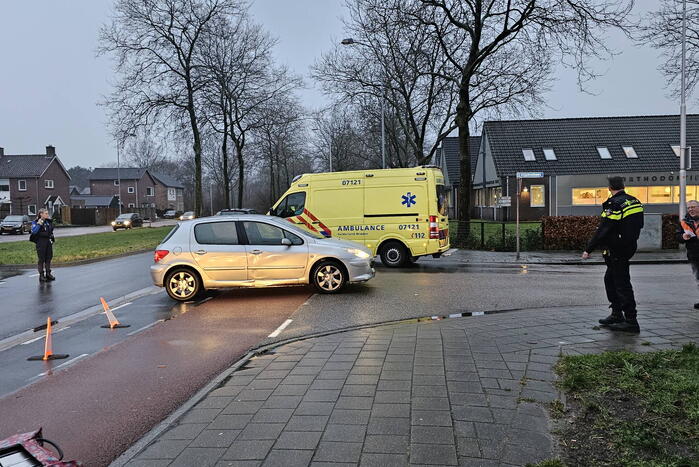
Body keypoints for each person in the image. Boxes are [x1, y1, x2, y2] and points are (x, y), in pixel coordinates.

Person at [582, 176, 644, 333]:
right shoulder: (634, 201)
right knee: (610, 279)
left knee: (622, 283)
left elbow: (604, 229)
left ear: (609, 188)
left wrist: (588, 249)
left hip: (617, 249)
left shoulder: (613, 204)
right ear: (623, 186)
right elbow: (639, 225)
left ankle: (631, 320)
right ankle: (617, 314)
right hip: (629, 246)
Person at [678, 200, 699, 309]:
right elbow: (678, 236)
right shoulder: (684, 222)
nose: (691, 209)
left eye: (693, 207)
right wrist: (683, 237)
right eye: (689, 208)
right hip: (694, 254)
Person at [30, 208, 55, 282]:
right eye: (46, 213)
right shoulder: (35, 222)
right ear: (41, 214)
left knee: (48, 258)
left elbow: (51, 230)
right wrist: (39, 224)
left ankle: (48, 273)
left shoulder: (48, 222)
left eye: (47, 213)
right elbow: (34, 232)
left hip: (48, 241)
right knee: (41, 259)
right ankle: (41, 275)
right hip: (40, 242)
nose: (47, 215)